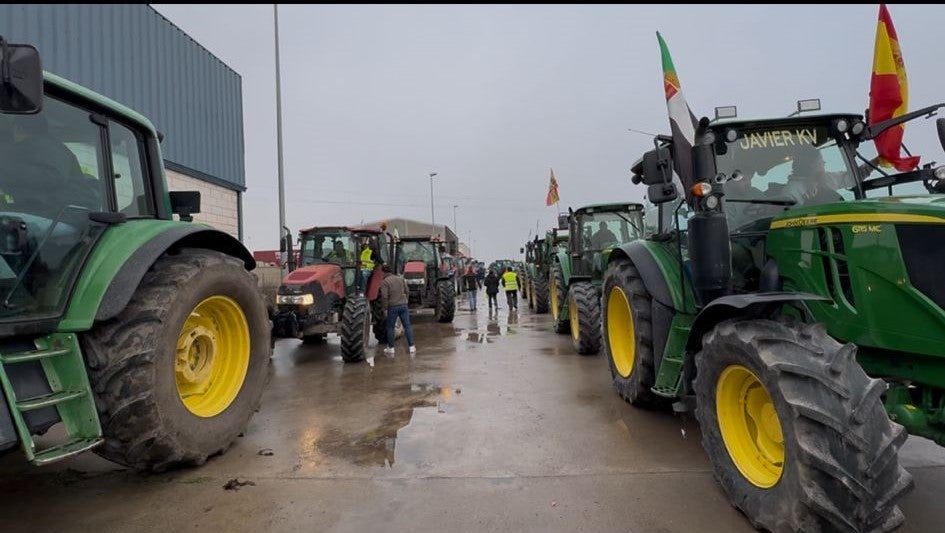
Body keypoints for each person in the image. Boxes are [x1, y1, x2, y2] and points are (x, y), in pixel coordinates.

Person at [782, 145, 848, 207]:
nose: (824, 162)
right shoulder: (791, 191)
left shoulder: (826, 178)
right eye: (820, 159)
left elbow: (850, 178)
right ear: (811, 164)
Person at [379, 263, 415, 354]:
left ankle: (391, 348)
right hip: (403, 306)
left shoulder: (385, 282)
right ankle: (412, 347)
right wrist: (405, 300)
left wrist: (385, 309)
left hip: (392, 307)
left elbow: (384, 297)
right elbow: (407, 291)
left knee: (390, 327)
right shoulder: (401, 279)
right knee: (407, 326)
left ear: (383, 272)